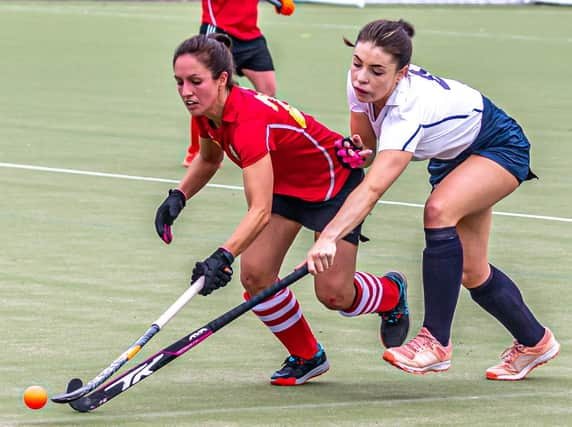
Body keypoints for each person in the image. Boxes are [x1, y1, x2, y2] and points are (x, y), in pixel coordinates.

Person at [306, 19, 560, 381]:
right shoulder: (360, 85)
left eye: (377, 71)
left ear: (401, 74)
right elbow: (368, 149)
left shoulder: (409, 107)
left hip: (498, 147)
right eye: (357, 63)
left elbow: (374, 188)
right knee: (472, 272)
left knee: (438, 210)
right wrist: (356, 152)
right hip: (453, 157)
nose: (362, 77)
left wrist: (329, 236)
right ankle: (535, 342)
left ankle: (434, 344)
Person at [155, 33, 410, 386]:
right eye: (179, 82)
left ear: (222, 79)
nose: (186, 91)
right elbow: (210, 158)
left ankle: (391, 292)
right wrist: (179, 196)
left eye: (195, 81)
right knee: (256, 276)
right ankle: (308, 356)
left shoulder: (248, 123)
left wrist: (222, 256)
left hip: (333, 186)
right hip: (285, 187)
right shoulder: (206, 109)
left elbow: (259, 211)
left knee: (334, 294)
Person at [182, 0, 295, 167]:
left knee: (268, 91)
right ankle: (196, 150)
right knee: (206, 92)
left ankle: (268, 146)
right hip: (218, 30)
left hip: (250, 35)